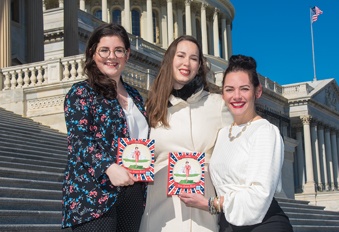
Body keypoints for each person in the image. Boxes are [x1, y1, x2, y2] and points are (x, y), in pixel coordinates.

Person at [179, 55, 293, 232]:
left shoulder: (265, 131)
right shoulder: (223, 133)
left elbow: (259, 194)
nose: (237, 96)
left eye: (244, 89)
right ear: (223, 94)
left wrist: (211, 204)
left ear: (257, 91)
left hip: (264, 225)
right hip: (227, 224)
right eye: (230, 89)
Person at [139, 35, 232, 232]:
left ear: (199, 65)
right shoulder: (152, 107)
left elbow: (234, 153)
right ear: (170, 60)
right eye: (181, 55)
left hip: (203, 209)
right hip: (160, 210)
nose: (186, 63)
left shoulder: (217, 104)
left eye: (193, 58)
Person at [61, 23, 149, 231]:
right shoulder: (81, 93)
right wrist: (109, 168)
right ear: (92, 53)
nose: (112, 56)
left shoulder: (135, 95)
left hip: (133, 192)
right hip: (94, 193)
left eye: (118, 50)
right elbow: (79, 141)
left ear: (127, 55)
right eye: (104, 50)